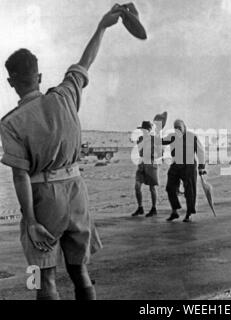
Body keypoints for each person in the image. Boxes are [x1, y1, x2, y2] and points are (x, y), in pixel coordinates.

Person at [0, 5, 132, 300]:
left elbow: (20, 176)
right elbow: (86, 60)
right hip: (77, 193)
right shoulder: (65, 95)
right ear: (39, 75)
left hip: (43, 198)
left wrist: (31, 221)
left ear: (11, 82)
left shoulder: (11, 123)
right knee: (79, 271)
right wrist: (102, 26)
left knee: (39, 275)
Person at [163, 119, 206, 222]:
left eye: (179, 127)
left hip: (189, 166)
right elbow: (162, 141)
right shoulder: (172, 136)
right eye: (175, 128)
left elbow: (200, 151)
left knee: (190, 190)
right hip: (176, 164)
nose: (177, 130)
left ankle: (189, 214)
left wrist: (201, 166)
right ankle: (175, 211)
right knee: (170, 187)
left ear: (184, 127)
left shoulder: (192, 136)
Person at [132, 121, 159, 217]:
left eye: (145, 130)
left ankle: (154, 208)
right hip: (142, 164)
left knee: (152, 187)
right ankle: (140, 208)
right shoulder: (140, 139)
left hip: (151, 164)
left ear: (149, 130)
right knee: (137, 186)